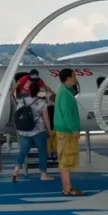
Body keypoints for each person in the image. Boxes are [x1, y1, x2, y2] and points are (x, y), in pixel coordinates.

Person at [9, 79, 52, 182]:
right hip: (38, 131)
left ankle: (15, 171)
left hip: (24, 131)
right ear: (38, 91)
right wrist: (49, 130)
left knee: (23, 151)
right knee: (42, 152)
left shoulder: (22, 101)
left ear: (28, 90)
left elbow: (17, 114)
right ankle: (43, 174)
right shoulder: (42, 102)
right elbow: (46, 118)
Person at [52, 67, 84, 196]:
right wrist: (74, 129)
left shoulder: (66, 91)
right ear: (69, 78)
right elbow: (67, 113)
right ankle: (67, 188)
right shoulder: (65, 93)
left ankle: (67, 187)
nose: (76, 79)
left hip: (65, 130)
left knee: (67, 159)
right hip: (66, 131)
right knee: (66, 159)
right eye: (74, 76)